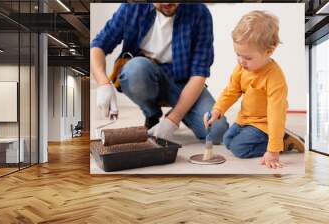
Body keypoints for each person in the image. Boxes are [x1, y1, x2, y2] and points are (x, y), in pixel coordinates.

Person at [91, 3, 229, 143]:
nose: (168, 3)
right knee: (135, 69)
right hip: (145, 74)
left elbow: (199, 73)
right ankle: (152, 114)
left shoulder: (199, 12)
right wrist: (103, 83)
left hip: (184, 83)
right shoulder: (132, 7)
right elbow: (98, 45)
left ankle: (178, 111)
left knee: (218, 130)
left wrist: (173, 120)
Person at [204, 10, 304, 169]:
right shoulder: (241, 68)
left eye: (248, 57)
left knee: (239, 149)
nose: (241, 61)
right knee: (228, 141)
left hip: (264, 124)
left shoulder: (274, 78)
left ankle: (283, 143)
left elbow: (276, 114)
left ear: (269, 51)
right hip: (245, 119)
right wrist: (218, 109)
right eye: (238, 54)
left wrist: (273, 149)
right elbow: (232, 90)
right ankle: (275, 140)